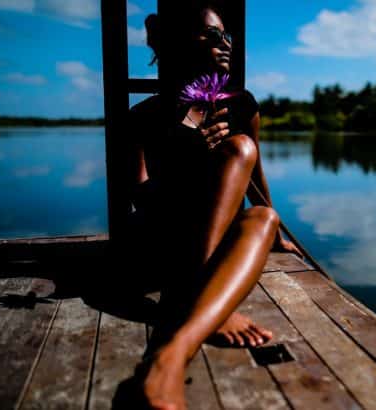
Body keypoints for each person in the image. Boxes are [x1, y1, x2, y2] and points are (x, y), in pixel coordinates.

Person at [127, 2, 301, 408]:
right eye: (212, 35)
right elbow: (138, 196)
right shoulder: (143, 117)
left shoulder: (241, 104)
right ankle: (182, 339)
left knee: (263, 217)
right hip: (166, 237)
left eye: (227, 36)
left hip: (214, 238)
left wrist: (277, 236)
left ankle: (171, 351)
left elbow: (255, 177)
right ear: (177, 42)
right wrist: (185, 152)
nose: (226, 44)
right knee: (238, 148)